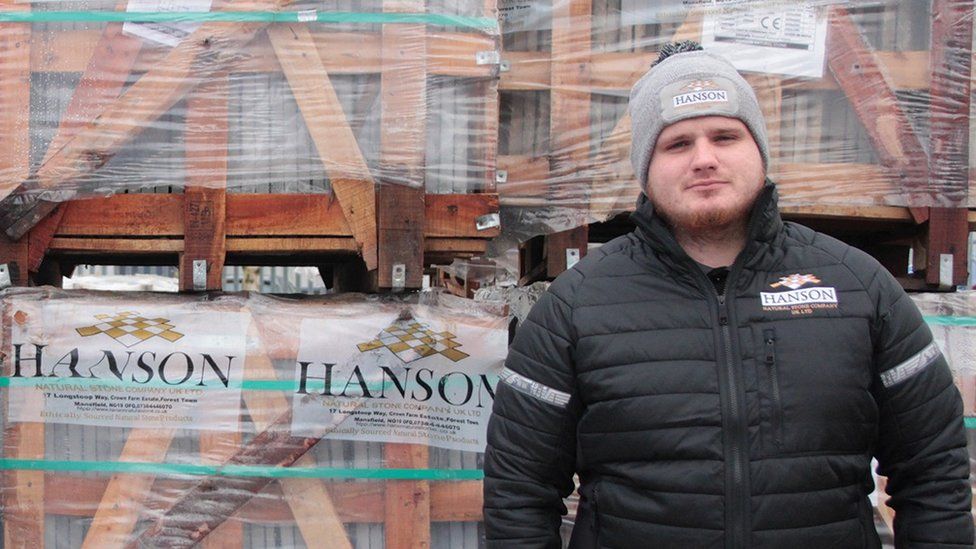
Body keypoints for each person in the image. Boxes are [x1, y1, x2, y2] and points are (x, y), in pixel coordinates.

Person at [483, 42, 974, 548]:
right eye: (677, 144)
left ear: (758, 150)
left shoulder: (859, 286)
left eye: (725, 136)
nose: (704, 159)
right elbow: (520, 492)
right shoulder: (574, 306)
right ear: (645, 169)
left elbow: (934, 472)